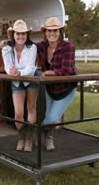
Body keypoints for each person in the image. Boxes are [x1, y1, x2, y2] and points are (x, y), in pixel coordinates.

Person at [37, 17, 77, 151]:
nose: (52, 33)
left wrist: (49, 72)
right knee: (49, 115)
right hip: (50, 88)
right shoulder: (42, 46)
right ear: (45, 32)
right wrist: (8, 42)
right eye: (49, 30)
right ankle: (49, 138)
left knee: (52, 118)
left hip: (66, 88)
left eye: (55, 30)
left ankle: (36, 131)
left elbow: (67, 70)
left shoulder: (68, 47)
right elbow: (26, 44)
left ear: (60, 32)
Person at [1, 20, 39, 152]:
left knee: (31, 108)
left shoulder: (32, 47)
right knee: (18, 113)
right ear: (13, 34)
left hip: (31, 78)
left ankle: (29, 138)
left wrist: (19, 72)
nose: (21, 36)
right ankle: (21, 136)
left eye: (23, 34)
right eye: (18, 33)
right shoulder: (6, 48)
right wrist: (11, 72)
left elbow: (31, 67)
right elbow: (7, 66)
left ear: (27, 35)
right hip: (16, 80)